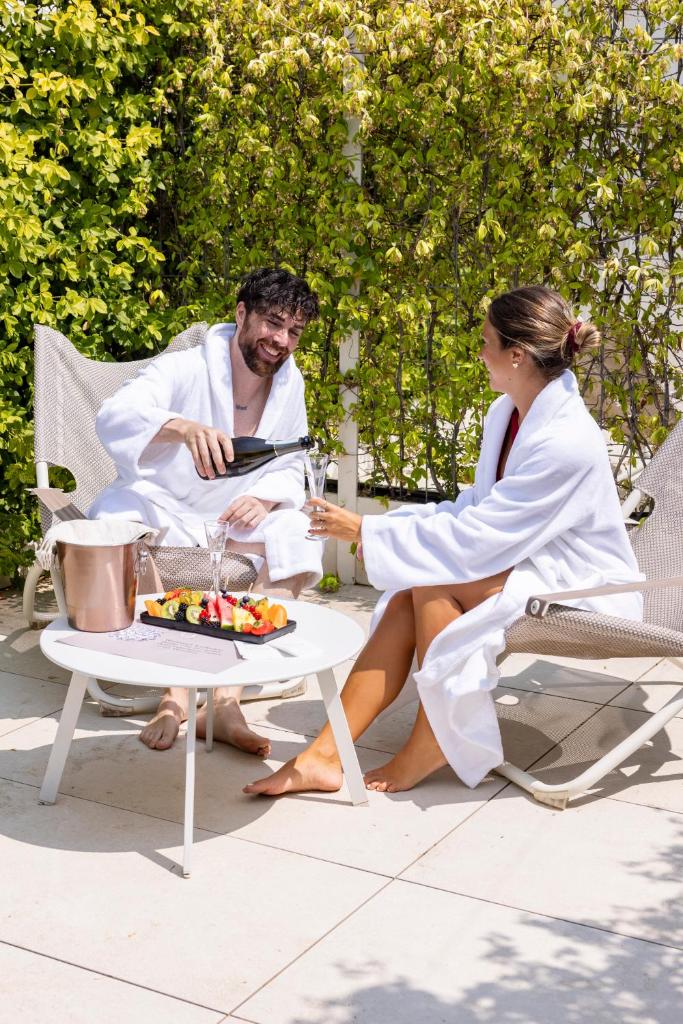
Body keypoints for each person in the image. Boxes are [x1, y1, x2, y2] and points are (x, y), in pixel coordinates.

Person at [243, 285, 643, 797]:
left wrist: (367, 530)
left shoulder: (566, 441)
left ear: (516, 356)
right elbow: (475, 509)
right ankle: (324, 755)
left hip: (581, 585)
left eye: (486, 342)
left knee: (432, 586)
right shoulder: (508, 414)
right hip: (522, 556)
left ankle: (428, 739)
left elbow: (480, 540)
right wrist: (383, 531)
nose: (479, 353)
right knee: (422, 588)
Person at [90, 268, 321, 754]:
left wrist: (264, 498)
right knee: (120, 516)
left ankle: (224, 702)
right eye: (273, 323)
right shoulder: (185, 368)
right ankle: (173, 698)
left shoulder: (290, 385)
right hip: (165, 508)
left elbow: (292, 458)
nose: (280, 341)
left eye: (293, 332)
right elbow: (115, 415)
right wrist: (181, 428)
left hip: (229, 520)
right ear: (241, 314)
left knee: (295, 530)